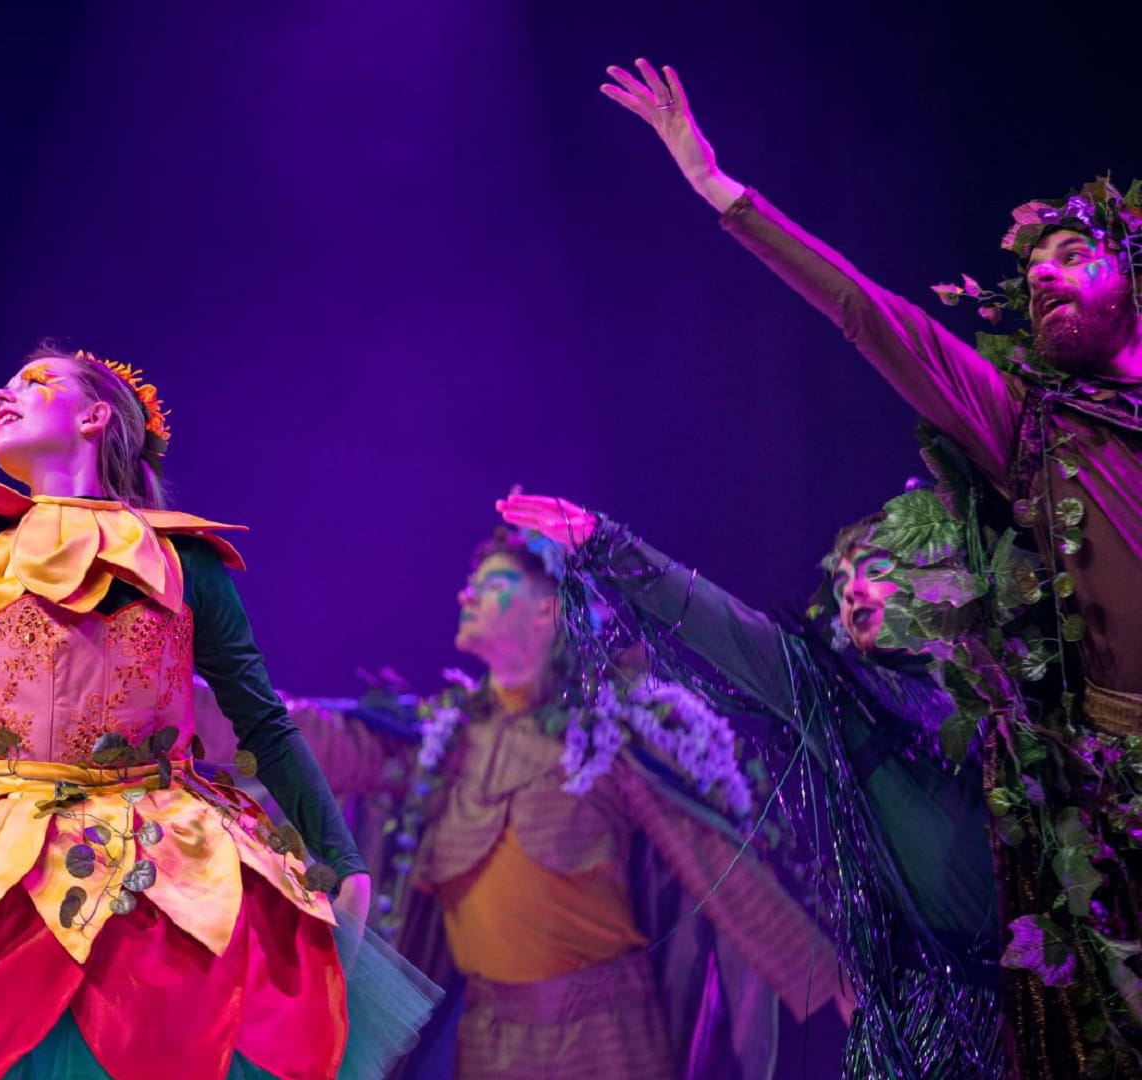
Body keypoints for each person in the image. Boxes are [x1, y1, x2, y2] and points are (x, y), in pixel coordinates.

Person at [0, 135, 436, 1080]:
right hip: (6, 861)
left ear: (96, 417)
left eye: (33, 383)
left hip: (165, 869)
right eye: (5, 387)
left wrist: (341, 857)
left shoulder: (184, 561)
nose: (1, 394)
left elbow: (259, 716)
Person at [601, 59, 1141, 1075]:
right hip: (1115, 806)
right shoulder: (1031, 429)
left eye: (1073, 254)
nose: (1049, 278)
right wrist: (726, 195)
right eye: (1034, 278)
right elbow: (867, 313)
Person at [502, 491, 1004, 1077]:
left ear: (937, 578)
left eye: (874, 572)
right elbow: (733, 633)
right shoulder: (838, 701)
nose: (852, 594)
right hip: (937, 1026)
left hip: (1055, 1004)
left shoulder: (1016, 688)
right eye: (842, 587)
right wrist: (607, 543)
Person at [392, 524, 841, 1079]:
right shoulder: (449, 738)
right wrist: (256, 716)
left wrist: (830, 983)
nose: (465, 595)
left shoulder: (609, 734)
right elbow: (342, 743)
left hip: (603, 1039)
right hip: (488, 1042)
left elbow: (716, 864)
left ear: (546, 610)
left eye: (493, 583)